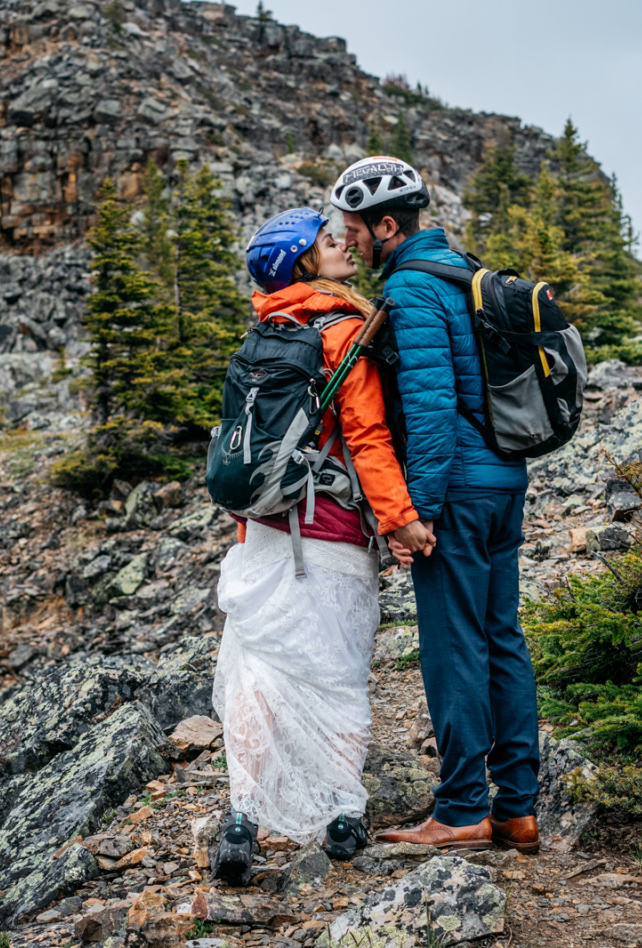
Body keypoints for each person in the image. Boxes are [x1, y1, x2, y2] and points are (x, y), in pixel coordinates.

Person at [210, 207, 433, 884]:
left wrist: (250, 529)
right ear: (304, 263)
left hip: (265, 535)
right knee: (337, 678)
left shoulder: (261, 334)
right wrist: (399, 522)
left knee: (256, 674)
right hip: (333, 539)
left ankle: (243, 815)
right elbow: (367, 439)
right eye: (328, 241)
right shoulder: (342, 331)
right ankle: (343, 809)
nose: (342, 246)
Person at [331, 156, 541, 855]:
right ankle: (516, 809)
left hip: (457, 488)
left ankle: (458, 809)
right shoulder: (460, 270)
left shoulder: (415, 289)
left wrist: (412, 512)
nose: (351, 241)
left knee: (455, 647)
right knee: (501, 638)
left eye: (357, 228)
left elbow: (429, 408)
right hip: (504, 479)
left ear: (388, 225)